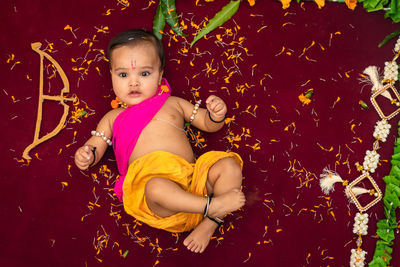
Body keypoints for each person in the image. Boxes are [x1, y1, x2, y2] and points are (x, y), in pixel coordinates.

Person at [74, 29, 245, 253]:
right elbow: (96, 146)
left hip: (192, 183)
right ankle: (212, 209)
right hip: (156, 197)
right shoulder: (112, 118)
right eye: (123, 75)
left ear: (160, 73)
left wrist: (216, 114)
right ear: (111, 76)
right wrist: (86, 155)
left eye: (144, 74)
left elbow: (207, 123)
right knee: (156, 187)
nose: (133, 83)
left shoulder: (173, 103)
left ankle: (210, 222)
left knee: (229, 166)